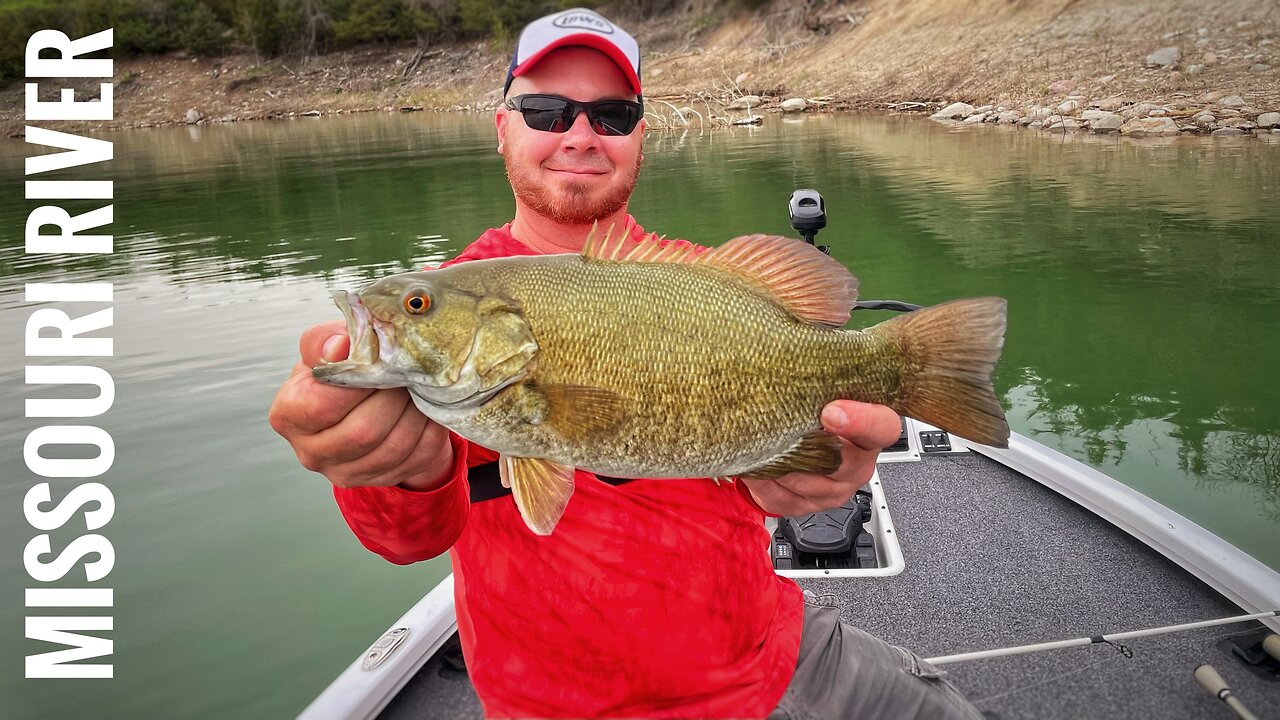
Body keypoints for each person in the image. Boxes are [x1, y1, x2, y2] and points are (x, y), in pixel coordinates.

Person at [269, 8, 985, 719]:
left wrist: (811, 475)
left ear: (640, 135)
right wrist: (396, 466)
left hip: (764, 660)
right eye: (547, 110)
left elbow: (763, 477)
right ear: (501, 128)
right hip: (549, 705)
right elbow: (406, 540)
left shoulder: (704, 282)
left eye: (611, 115)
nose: (580, 135)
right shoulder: (453, 301)